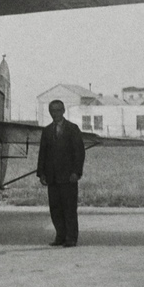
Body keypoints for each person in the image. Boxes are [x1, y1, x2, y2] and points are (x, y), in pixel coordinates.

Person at [36, 99, 86, 246]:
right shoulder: (46, 131)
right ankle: (60, 236)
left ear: (63, 111)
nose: (55, 113)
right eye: (52, 110)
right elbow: (42, 154)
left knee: (69, 208)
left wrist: (76, 172)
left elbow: (79, 152)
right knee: (55, 208)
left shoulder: (73, 129)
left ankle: (71, 237)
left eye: (58, 110)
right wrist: (42, 173)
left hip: (68, 177)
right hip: (52, 177)